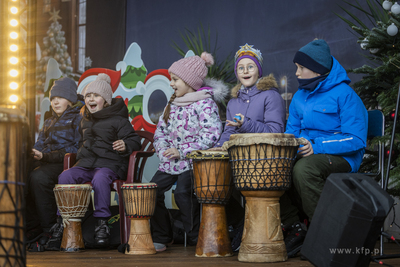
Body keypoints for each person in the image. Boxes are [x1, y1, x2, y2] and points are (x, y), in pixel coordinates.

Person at [281, 39, 368, 258]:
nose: (297, 73)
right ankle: (296, 226)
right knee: (273, 170)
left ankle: (330, 233)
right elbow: (291, 132)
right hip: (307, 153)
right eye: (296, 67)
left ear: (318, 69)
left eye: (301, 68)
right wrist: (294, 146)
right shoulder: (300, 96)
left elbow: (356, 140)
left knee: (304, 170)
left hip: (342, 157)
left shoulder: (345, 95)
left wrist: (317, 146)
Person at [209, 43, 286, 252]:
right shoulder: (234, 101)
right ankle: (239, 222)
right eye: (241, 67)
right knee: (214, 180)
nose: (245, 71)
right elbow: (228, 132)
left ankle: (249, 226)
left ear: (258, 70)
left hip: (265, 159)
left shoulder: (271, 96)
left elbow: (276, 130)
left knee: (234, 182)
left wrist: (246, 124)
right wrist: (217, 148)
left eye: (250, 67)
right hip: (239, 158)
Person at [150, 52, 228, 252]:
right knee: (151, 191)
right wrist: (163, 150)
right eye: (171, 79)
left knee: (184, 192)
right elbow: (160, 133)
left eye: (175, 79)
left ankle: (194, 236)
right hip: (171, 161)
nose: (171, 83)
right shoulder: (172, 104)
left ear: (189, 81)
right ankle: (163, 235)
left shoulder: (205, 103)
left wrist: (183, 151)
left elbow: (211, 135)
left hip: (193, 162)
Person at [57, 73, 141, 249]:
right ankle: (64, 221)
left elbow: (134, 140)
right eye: (88, 96)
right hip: (86, 164)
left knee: (100, 179)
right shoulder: (84, 120)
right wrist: (80, 154)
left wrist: (125, 145)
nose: (91, 99)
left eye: (96, 96)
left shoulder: (119, 120)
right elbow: (82, 142)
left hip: (109, 164)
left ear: (106, 100)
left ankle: (102, 223)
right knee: (65, 177)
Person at [25, 77, 83, 250]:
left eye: (60, 97)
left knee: (38, 177)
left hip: (66, 164)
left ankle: (50, 228)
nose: (55, 101)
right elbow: (40, 144)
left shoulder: (78, 118)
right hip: (47, 160)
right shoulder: (49, 121)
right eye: (52, 98)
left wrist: (45, 156)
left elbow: (76, 148)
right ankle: (31, 225)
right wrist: (34, 153)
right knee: (20, 174)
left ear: (71, 99)